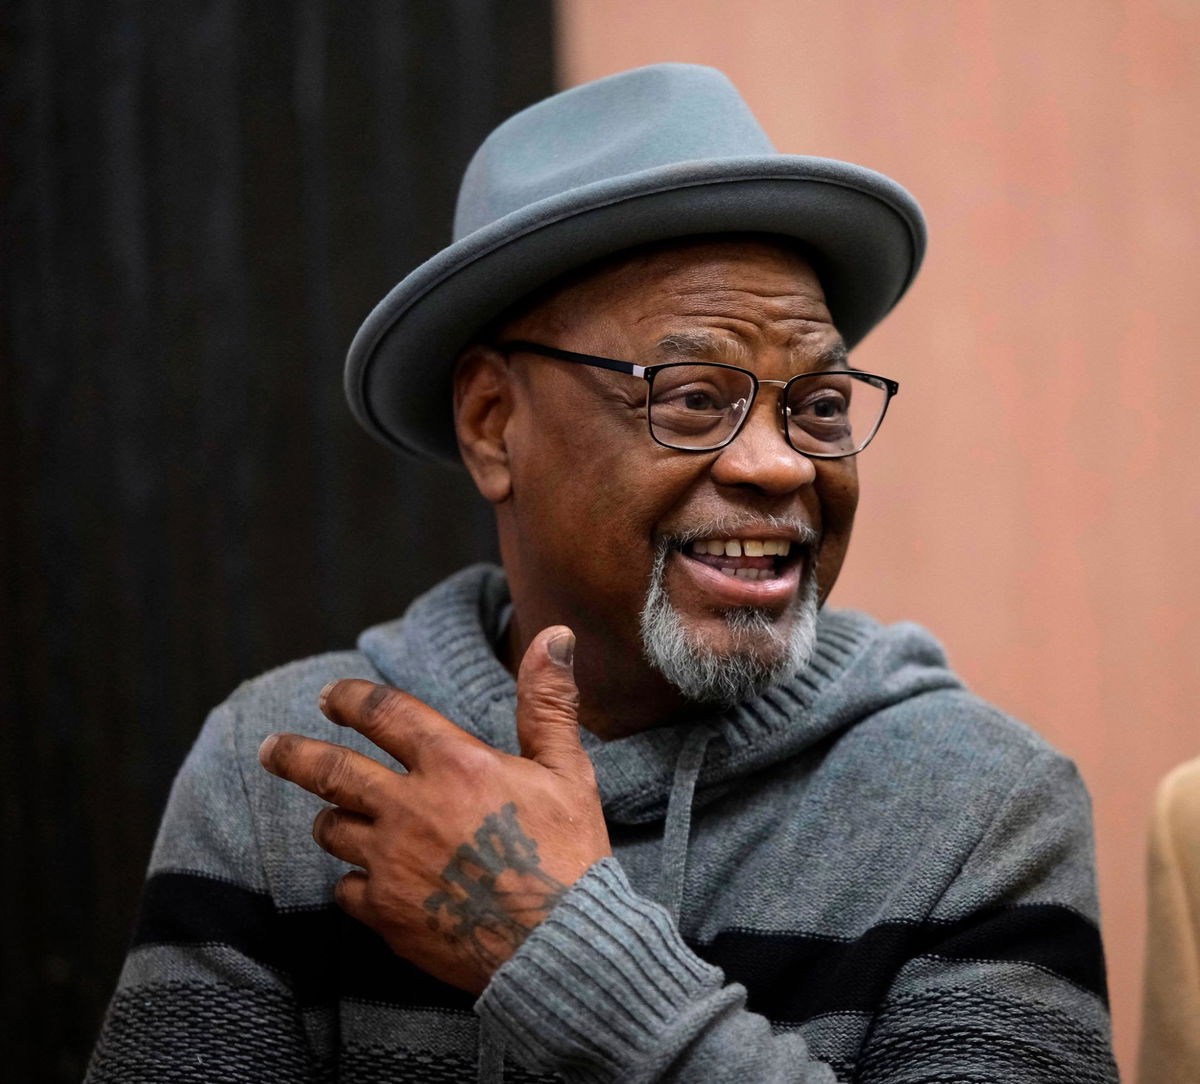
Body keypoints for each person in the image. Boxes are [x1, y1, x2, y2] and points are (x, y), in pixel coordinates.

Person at [87, 64, 1118, 1083]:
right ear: (495, 425)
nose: (780, 463)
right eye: (693, 396)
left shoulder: (979, 806)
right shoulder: (287, 787)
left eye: (821, 404)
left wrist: (562, 952)